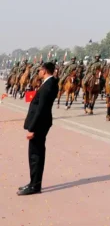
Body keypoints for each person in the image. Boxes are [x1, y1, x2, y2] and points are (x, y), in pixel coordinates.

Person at [19, 61, 57, 196]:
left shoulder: (48, 86)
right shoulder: (49, 83)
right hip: (42, 123)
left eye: (40, 70)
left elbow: (41, 110)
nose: (39, 72)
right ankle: (33, 182)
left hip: (39, 125)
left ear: (45, 71)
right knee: (35, 154)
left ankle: (35, 186)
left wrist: (32, 128)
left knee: (35, 155)